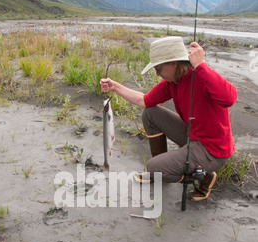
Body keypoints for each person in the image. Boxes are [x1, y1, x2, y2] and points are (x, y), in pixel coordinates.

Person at [100, 36, 237, 201]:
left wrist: (201, 65)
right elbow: (144, 100)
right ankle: (160, 170)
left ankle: (202, 177)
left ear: (175, 63)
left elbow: (230, 98)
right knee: (151, 114)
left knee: (153, 167)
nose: (157, 74)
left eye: (158, 68)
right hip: (193, 136)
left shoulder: (202, 76)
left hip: (212, 151)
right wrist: (115, 87)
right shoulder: (172, 82)